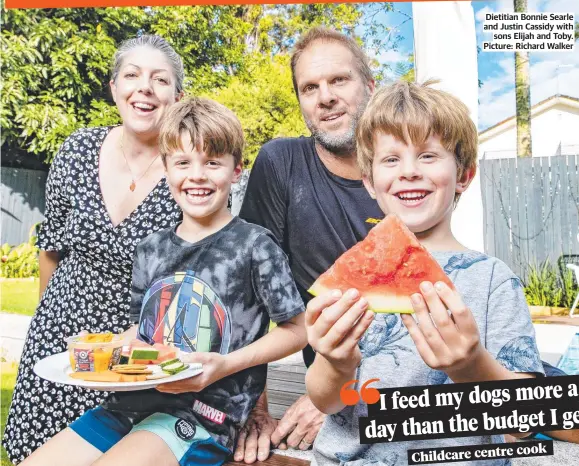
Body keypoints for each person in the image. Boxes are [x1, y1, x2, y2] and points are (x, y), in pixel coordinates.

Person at [20, 97, 307, 466]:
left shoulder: (254, 245)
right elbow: (142, 332)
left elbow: (299, 329)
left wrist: (226, 365)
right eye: (183, 163)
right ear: (167, 169)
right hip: (128, 405)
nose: (197, 176)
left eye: (213, 163)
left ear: (236, 171)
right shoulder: (151, 248)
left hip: (202, 415)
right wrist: (112, 350)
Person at [304, 81, 545, 465]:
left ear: (464, 174)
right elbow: (328, 400)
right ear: (369, 181)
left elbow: (527, 421)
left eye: (428, 155)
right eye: (391, 159)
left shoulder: (493, 281)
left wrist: (471, 365)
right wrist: (334, 362)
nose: (409, 172)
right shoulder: (352, 279)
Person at [2, 35, 185, 464]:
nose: (145, 87)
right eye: (132, 75)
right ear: (114, 87)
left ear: (177, 96)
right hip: (62, 338)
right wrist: (49, 325)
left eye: (160, 80)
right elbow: (50, 249)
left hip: (136, 350)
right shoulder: (78, 150)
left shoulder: (190, 170)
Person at [236, 27, 384, 463]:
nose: (325, 97)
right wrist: (256, 407)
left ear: (370, 87)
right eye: (310, 87)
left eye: (339, 80)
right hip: (329, 375)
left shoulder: (407, 172)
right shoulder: (281, 163)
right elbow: (247, 294)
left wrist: (342, 398)